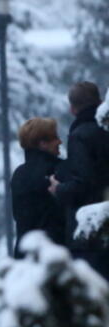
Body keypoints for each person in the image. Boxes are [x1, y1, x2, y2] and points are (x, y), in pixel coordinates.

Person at [49, 81, 109, 278]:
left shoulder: (80, 136)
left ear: (72, 109)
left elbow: (83, 183)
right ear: (100, 102)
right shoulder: (104, 131)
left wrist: (59, 189)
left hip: (90, 232)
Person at [12, 117, 65, 254]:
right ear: (42, 144)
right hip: (54, 253)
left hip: (25, 252)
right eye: (55, 138)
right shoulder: (58, 170)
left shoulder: (19, 174)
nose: (60, 141)